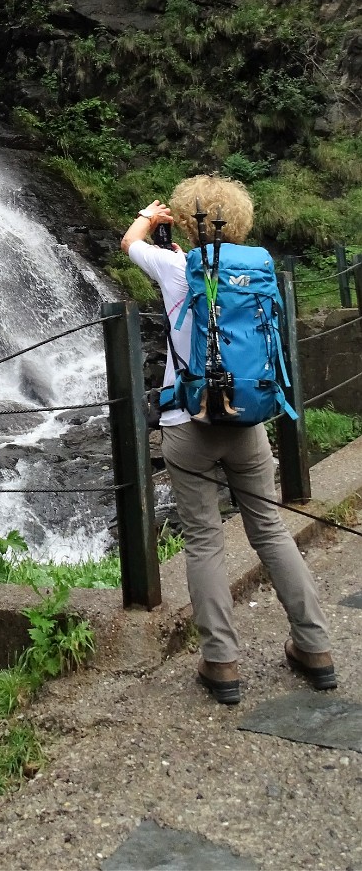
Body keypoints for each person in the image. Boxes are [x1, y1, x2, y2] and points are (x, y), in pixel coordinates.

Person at [121, 175, 336, 705]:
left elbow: (128, 243)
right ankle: (316, 648)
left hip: (186, 423)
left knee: (203, 540)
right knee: (269, 529)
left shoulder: (176, 266)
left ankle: (221, 664)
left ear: (187, 223)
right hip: (247, 419)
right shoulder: (258, 265)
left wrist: (151, 216)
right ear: (239, 221)